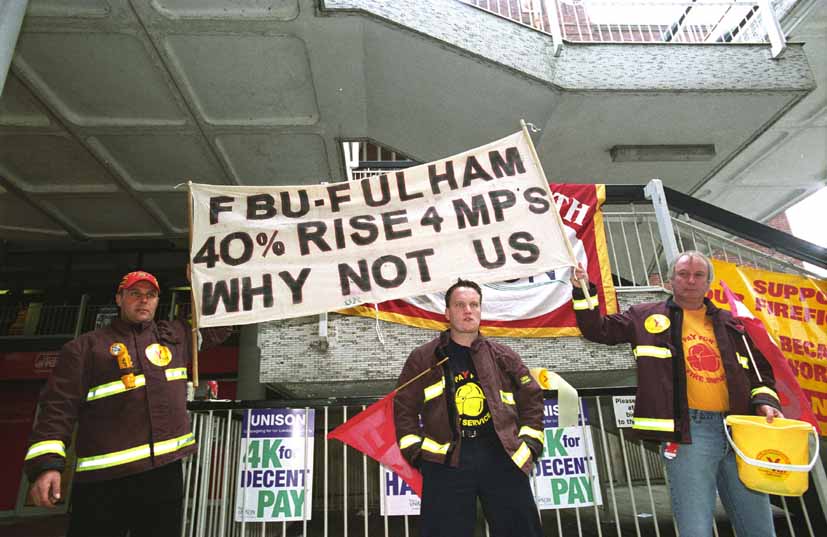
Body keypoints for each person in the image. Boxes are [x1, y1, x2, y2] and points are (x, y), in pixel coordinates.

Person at [570, 251, 782, 537]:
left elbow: (760, 374)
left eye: (698, 275)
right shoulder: (644, 316)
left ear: (709, 283)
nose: (690, 281)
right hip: (689, 432)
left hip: (742, 433)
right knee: (696, 528)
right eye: (683, 274)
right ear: (670, 281)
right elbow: (598, 329)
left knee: (760, 527)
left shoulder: (733, 324)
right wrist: (584, 290)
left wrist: (766, 402)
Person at [24, 270, 231, 537]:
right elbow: (57, 409)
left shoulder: (175, 336)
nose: (143, 301)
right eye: (135, 294)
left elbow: (219, 328)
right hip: (104, 482)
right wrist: (46, 466)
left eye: (150, 295)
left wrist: (205, 283)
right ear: (119, 298)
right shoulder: (85, 348)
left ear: (158, 301)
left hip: (164, 476)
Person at [394, 279, 545, 537]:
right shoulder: (423, 358)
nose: (468, 311)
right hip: (446, 463)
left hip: (502, 456)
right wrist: (417, 454)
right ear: (447, 313)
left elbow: (531, 399)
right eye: (460, 305)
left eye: (474, 305)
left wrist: (529, 444)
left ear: (481, 310)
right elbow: (404, 408)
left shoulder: (504, 356)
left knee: (521, 530)